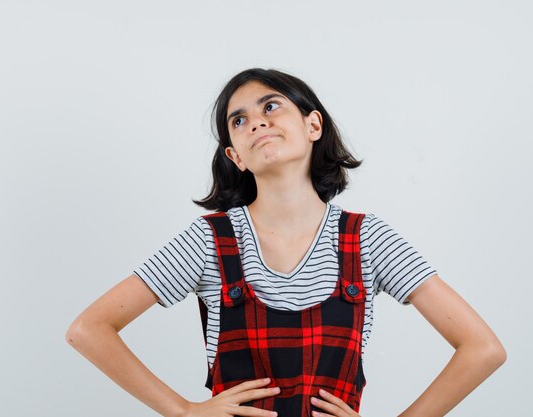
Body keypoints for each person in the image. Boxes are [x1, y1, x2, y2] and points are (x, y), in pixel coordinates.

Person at [66, 68, 507, 417]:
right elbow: (89, 329)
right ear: (235, 156)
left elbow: (482, 349)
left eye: (271, 106)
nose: (256, 120)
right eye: (238, 120)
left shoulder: (366, 239)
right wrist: (182, 411)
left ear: (313, 124)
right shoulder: (208, 240)